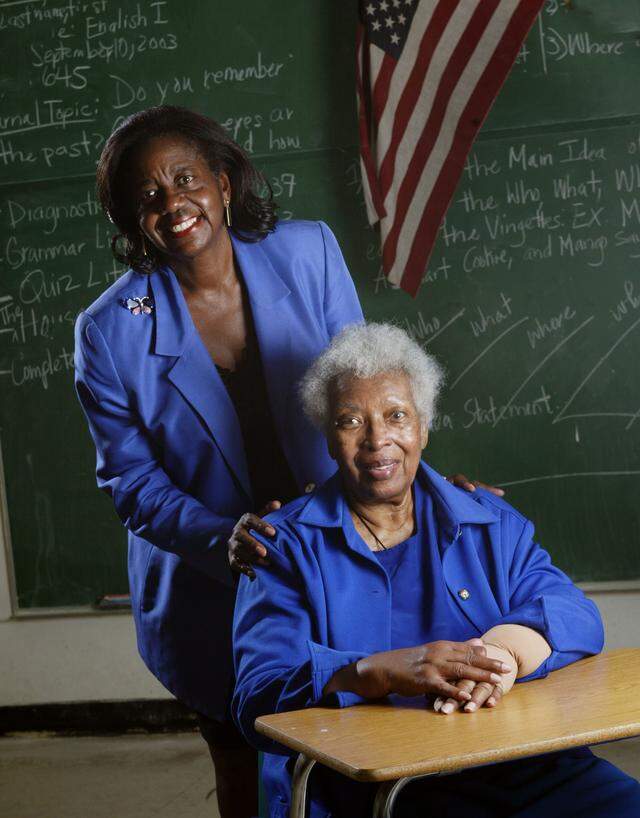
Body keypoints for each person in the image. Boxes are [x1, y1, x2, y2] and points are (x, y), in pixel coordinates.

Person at [75, 105, 492, 817]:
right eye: (147, 196)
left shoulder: (308, 252)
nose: (174, 203)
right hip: (210, 583)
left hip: (339, 553)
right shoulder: (108, 332)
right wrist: (223, 536)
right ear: (127, 219)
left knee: (369, 750)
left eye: (186, 178)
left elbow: (369, 390)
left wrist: (422, 488)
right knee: (247, 760)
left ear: (224, 183)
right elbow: (132, 483)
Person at [233, 322, 640, 818]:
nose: (377, 439)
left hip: (520, 766)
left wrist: (503, 653)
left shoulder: (489, 520)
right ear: (328, 439)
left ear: (422, 427)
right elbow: (257, 695)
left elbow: (576, 615)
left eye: (397, 415)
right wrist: (373, 672)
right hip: (377, 790)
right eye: (351, 421)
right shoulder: (281, 546)